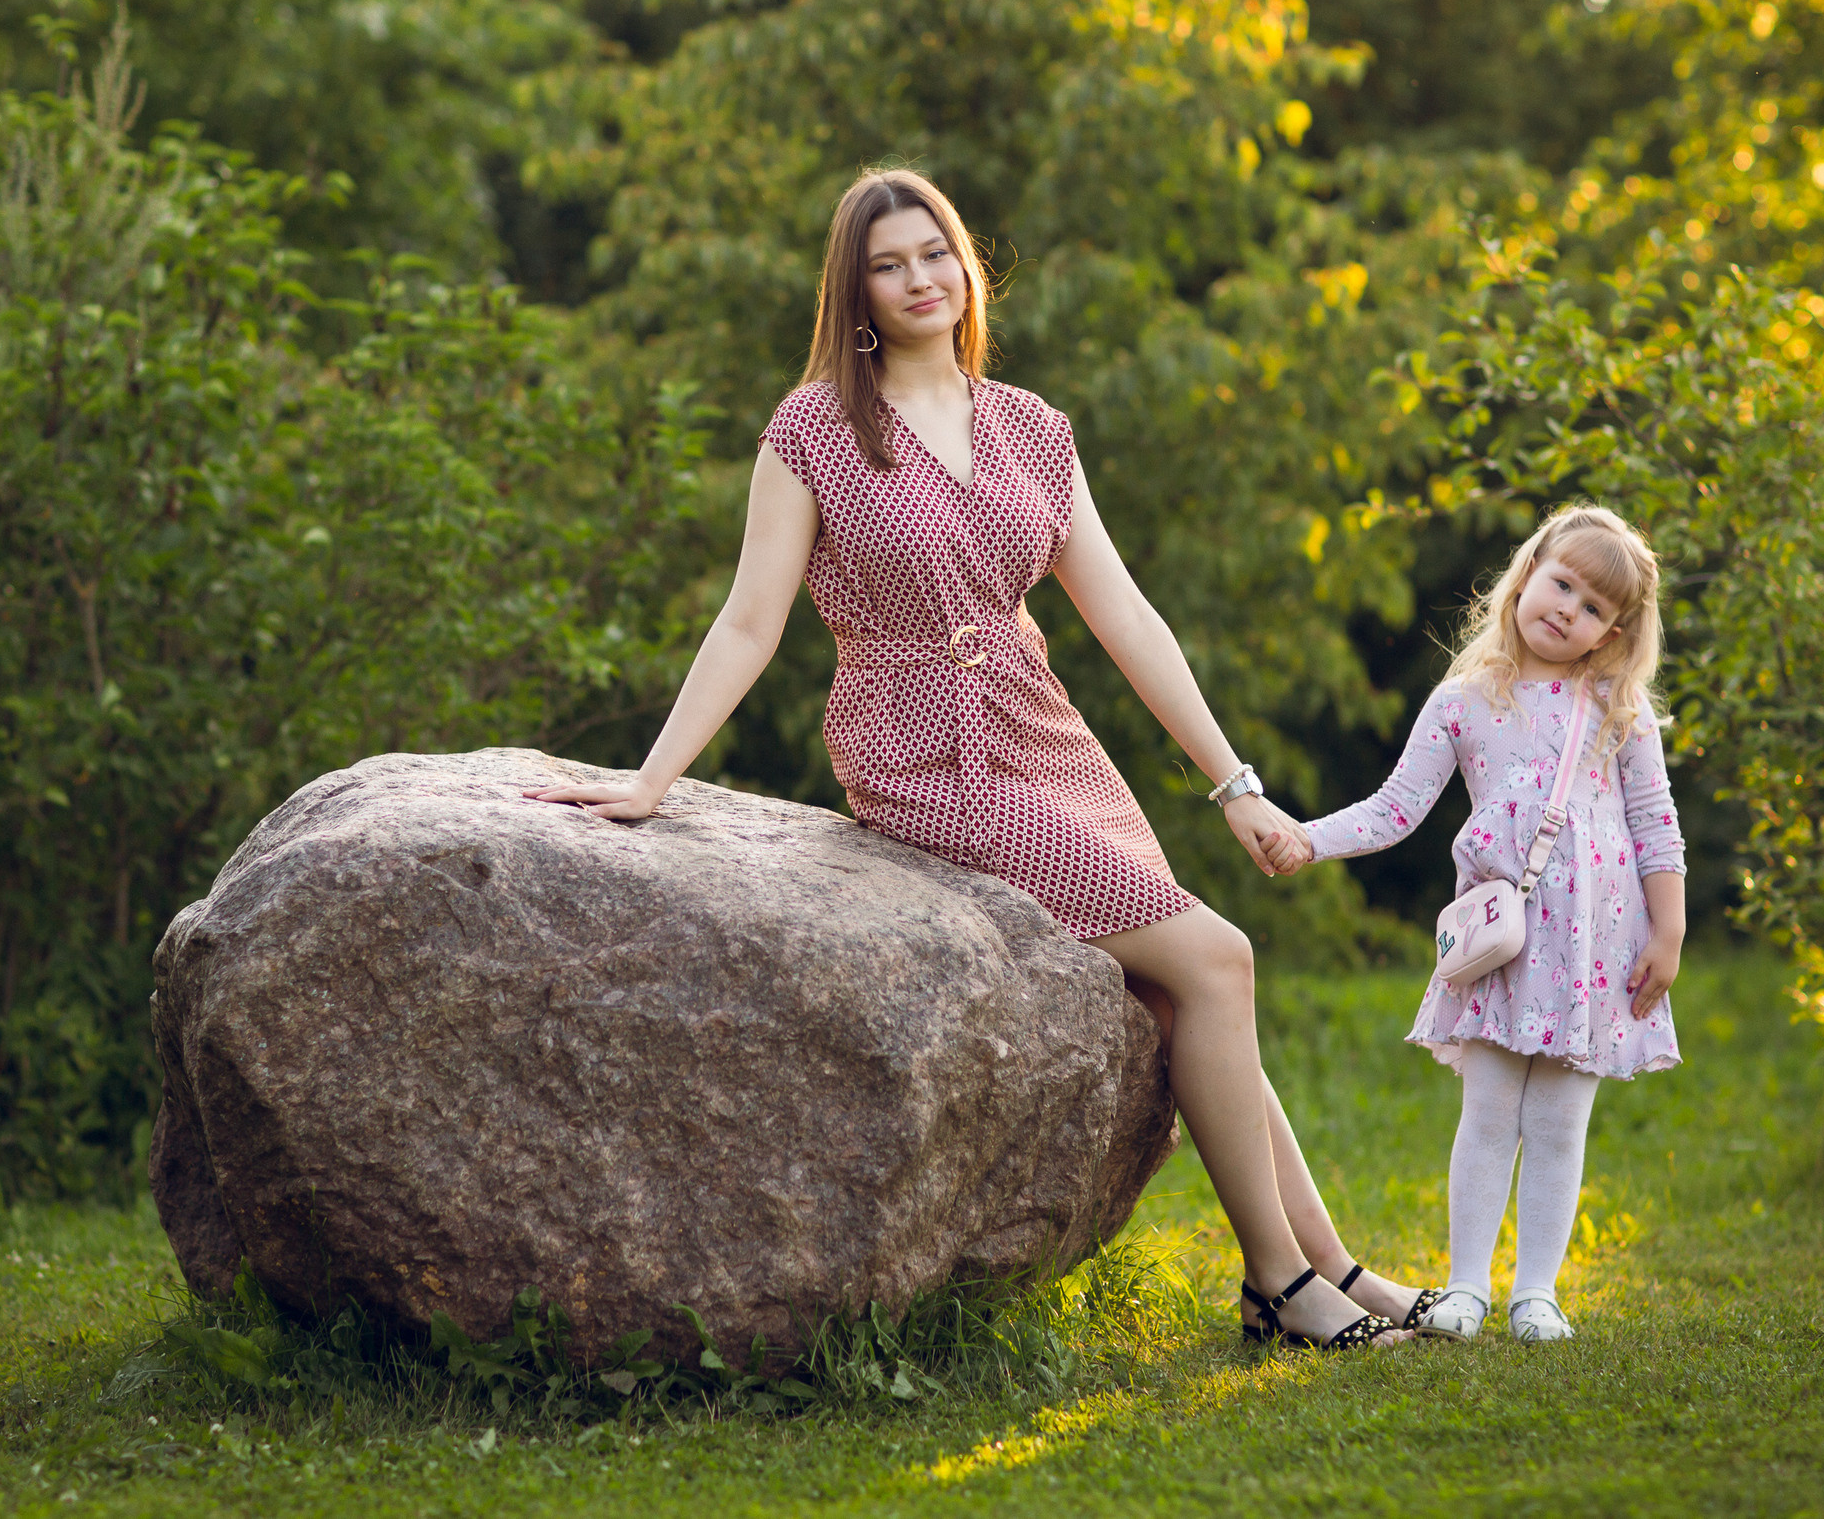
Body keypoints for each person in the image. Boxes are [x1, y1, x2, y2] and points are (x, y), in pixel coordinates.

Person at [528, 167, 1425, 1351]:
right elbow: (750, 619)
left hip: (1044, 734)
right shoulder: (811, 430)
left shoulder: (1032, 430)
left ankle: (1334, 1265)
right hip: (919, 750)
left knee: (1189, 984)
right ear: (853, 290)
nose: (917, 280)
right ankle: (1273, 1283)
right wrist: (650, 779)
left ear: (966, 268)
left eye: (934, 254)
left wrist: (1235, 784)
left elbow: (1126, 617)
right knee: (1218, 955)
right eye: (887, 264)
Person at [1265, 505, 1688, 1343]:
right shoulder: (1465, 701)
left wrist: (1667, 930)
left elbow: (1655, 818)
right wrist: (1306, 839)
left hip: (1593, 949)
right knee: (1491, 1110)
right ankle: (1467, 1286)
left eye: (1595, 607)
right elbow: (1396, 808)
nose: (1569, 609)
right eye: (1562, 583)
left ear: (1611, 633)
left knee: (1562, 1118)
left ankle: (1537, 1291)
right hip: (1507, 943)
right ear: (1527, 572)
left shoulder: (1617, 709)